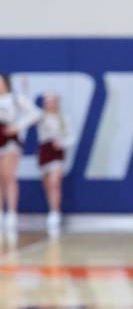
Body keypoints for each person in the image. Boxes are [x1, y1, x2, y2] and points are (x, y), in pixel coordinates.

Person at [0, 73, 40, 237]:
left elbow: (35, 113)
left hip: (9, 141)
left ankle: (12, 214)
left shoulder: (15, 99)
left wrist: (17, 126)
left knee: (9, 176)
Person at [36, 94, 72, 235]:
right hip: (44, 152)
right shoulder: (41, 117)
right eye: (46, 102)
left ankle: (55, 213)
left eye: (51, 101)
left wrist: (62, 143)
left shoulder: (64, 119)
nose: (49, 104)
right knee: (47, 185)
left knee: (54, 183)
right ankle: (51, 209)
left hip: (57, 152)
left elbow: (71, 136)